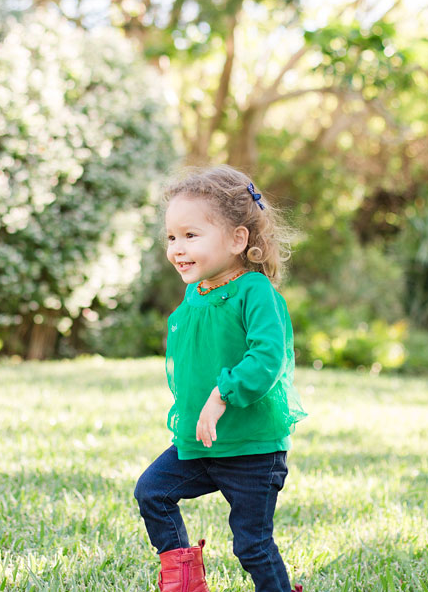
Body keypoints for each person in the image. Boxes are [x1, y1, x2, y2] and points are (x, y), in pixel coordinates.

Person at [134, 165, 307, 592]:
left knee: (251, 545)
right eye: (172, 237)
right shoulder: (197, 292)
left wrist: (222, 393)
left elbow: (268, 357)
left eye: (191, 235)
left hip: (251, 449)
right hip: (201, 444)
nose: (177, 248)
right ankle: (185, 583)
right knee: (152, 492)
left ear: (237, 239)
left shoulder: (256, 292)